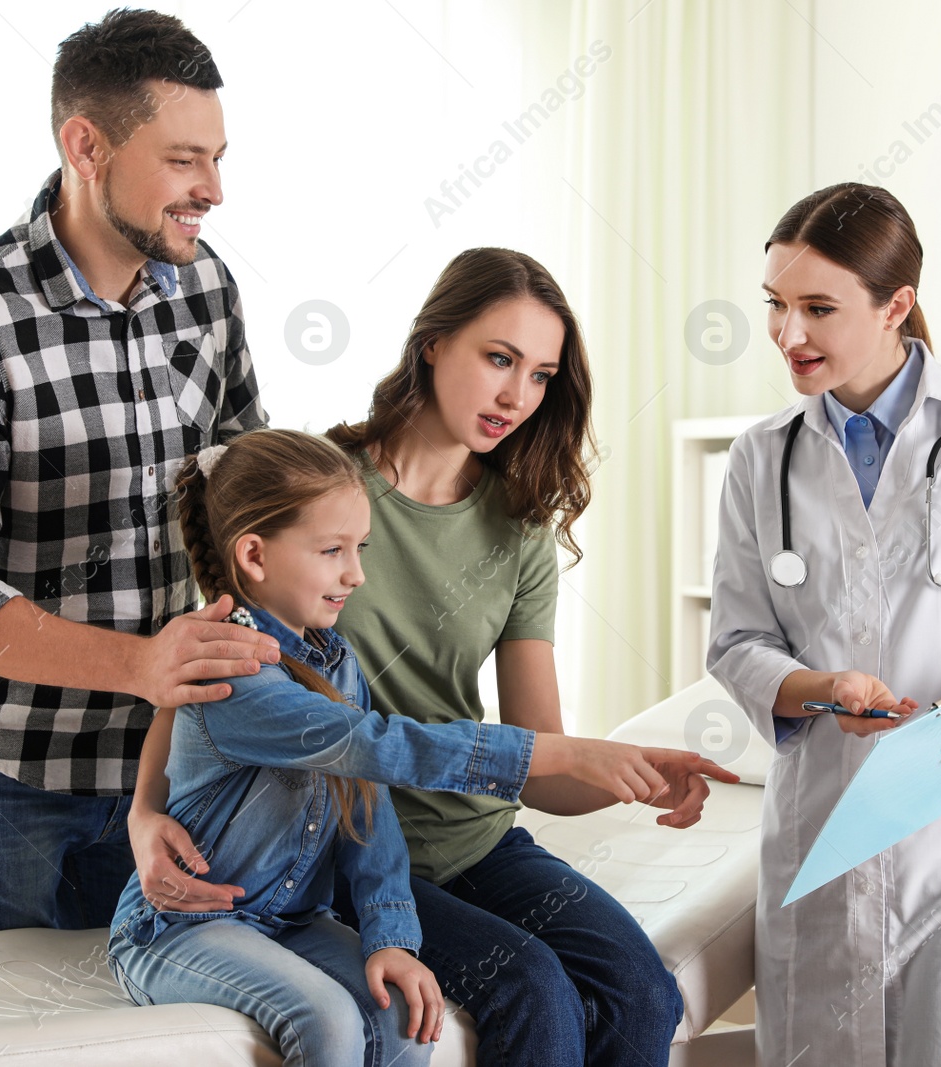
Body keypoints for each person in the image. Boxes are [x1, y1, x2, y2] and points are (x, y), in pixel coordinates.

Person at [131, 248, 728, 1065]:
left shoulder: (519, 531)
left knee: (642, 989)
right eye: (499, 358)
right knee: (535, 990)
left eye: (542, 374)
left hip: (474, 842)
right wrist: (141, 810)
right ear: (433, 344)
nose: (518, 395)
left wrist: (625, 773)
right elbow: (209, 664)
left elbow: (542, 763)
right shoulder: (326, 492)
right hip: (344, 850)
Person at [0, 9, 278, 945]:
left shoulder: (207, 288)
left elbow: (241, 481)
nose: (213, 189)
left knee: (156, 1040)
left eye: (219, 157)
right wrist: (141, 664)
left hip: (166, 773)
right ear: (86, 144)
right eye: (185, 159)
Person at [706, 182, 941, 1064]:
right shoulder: (764, 457)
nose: (788, 334)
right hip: (826, 829)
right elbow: (736, 640)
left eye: (817, 308)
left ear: (897, 305)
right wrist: (819, 688)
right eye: (775, 305)